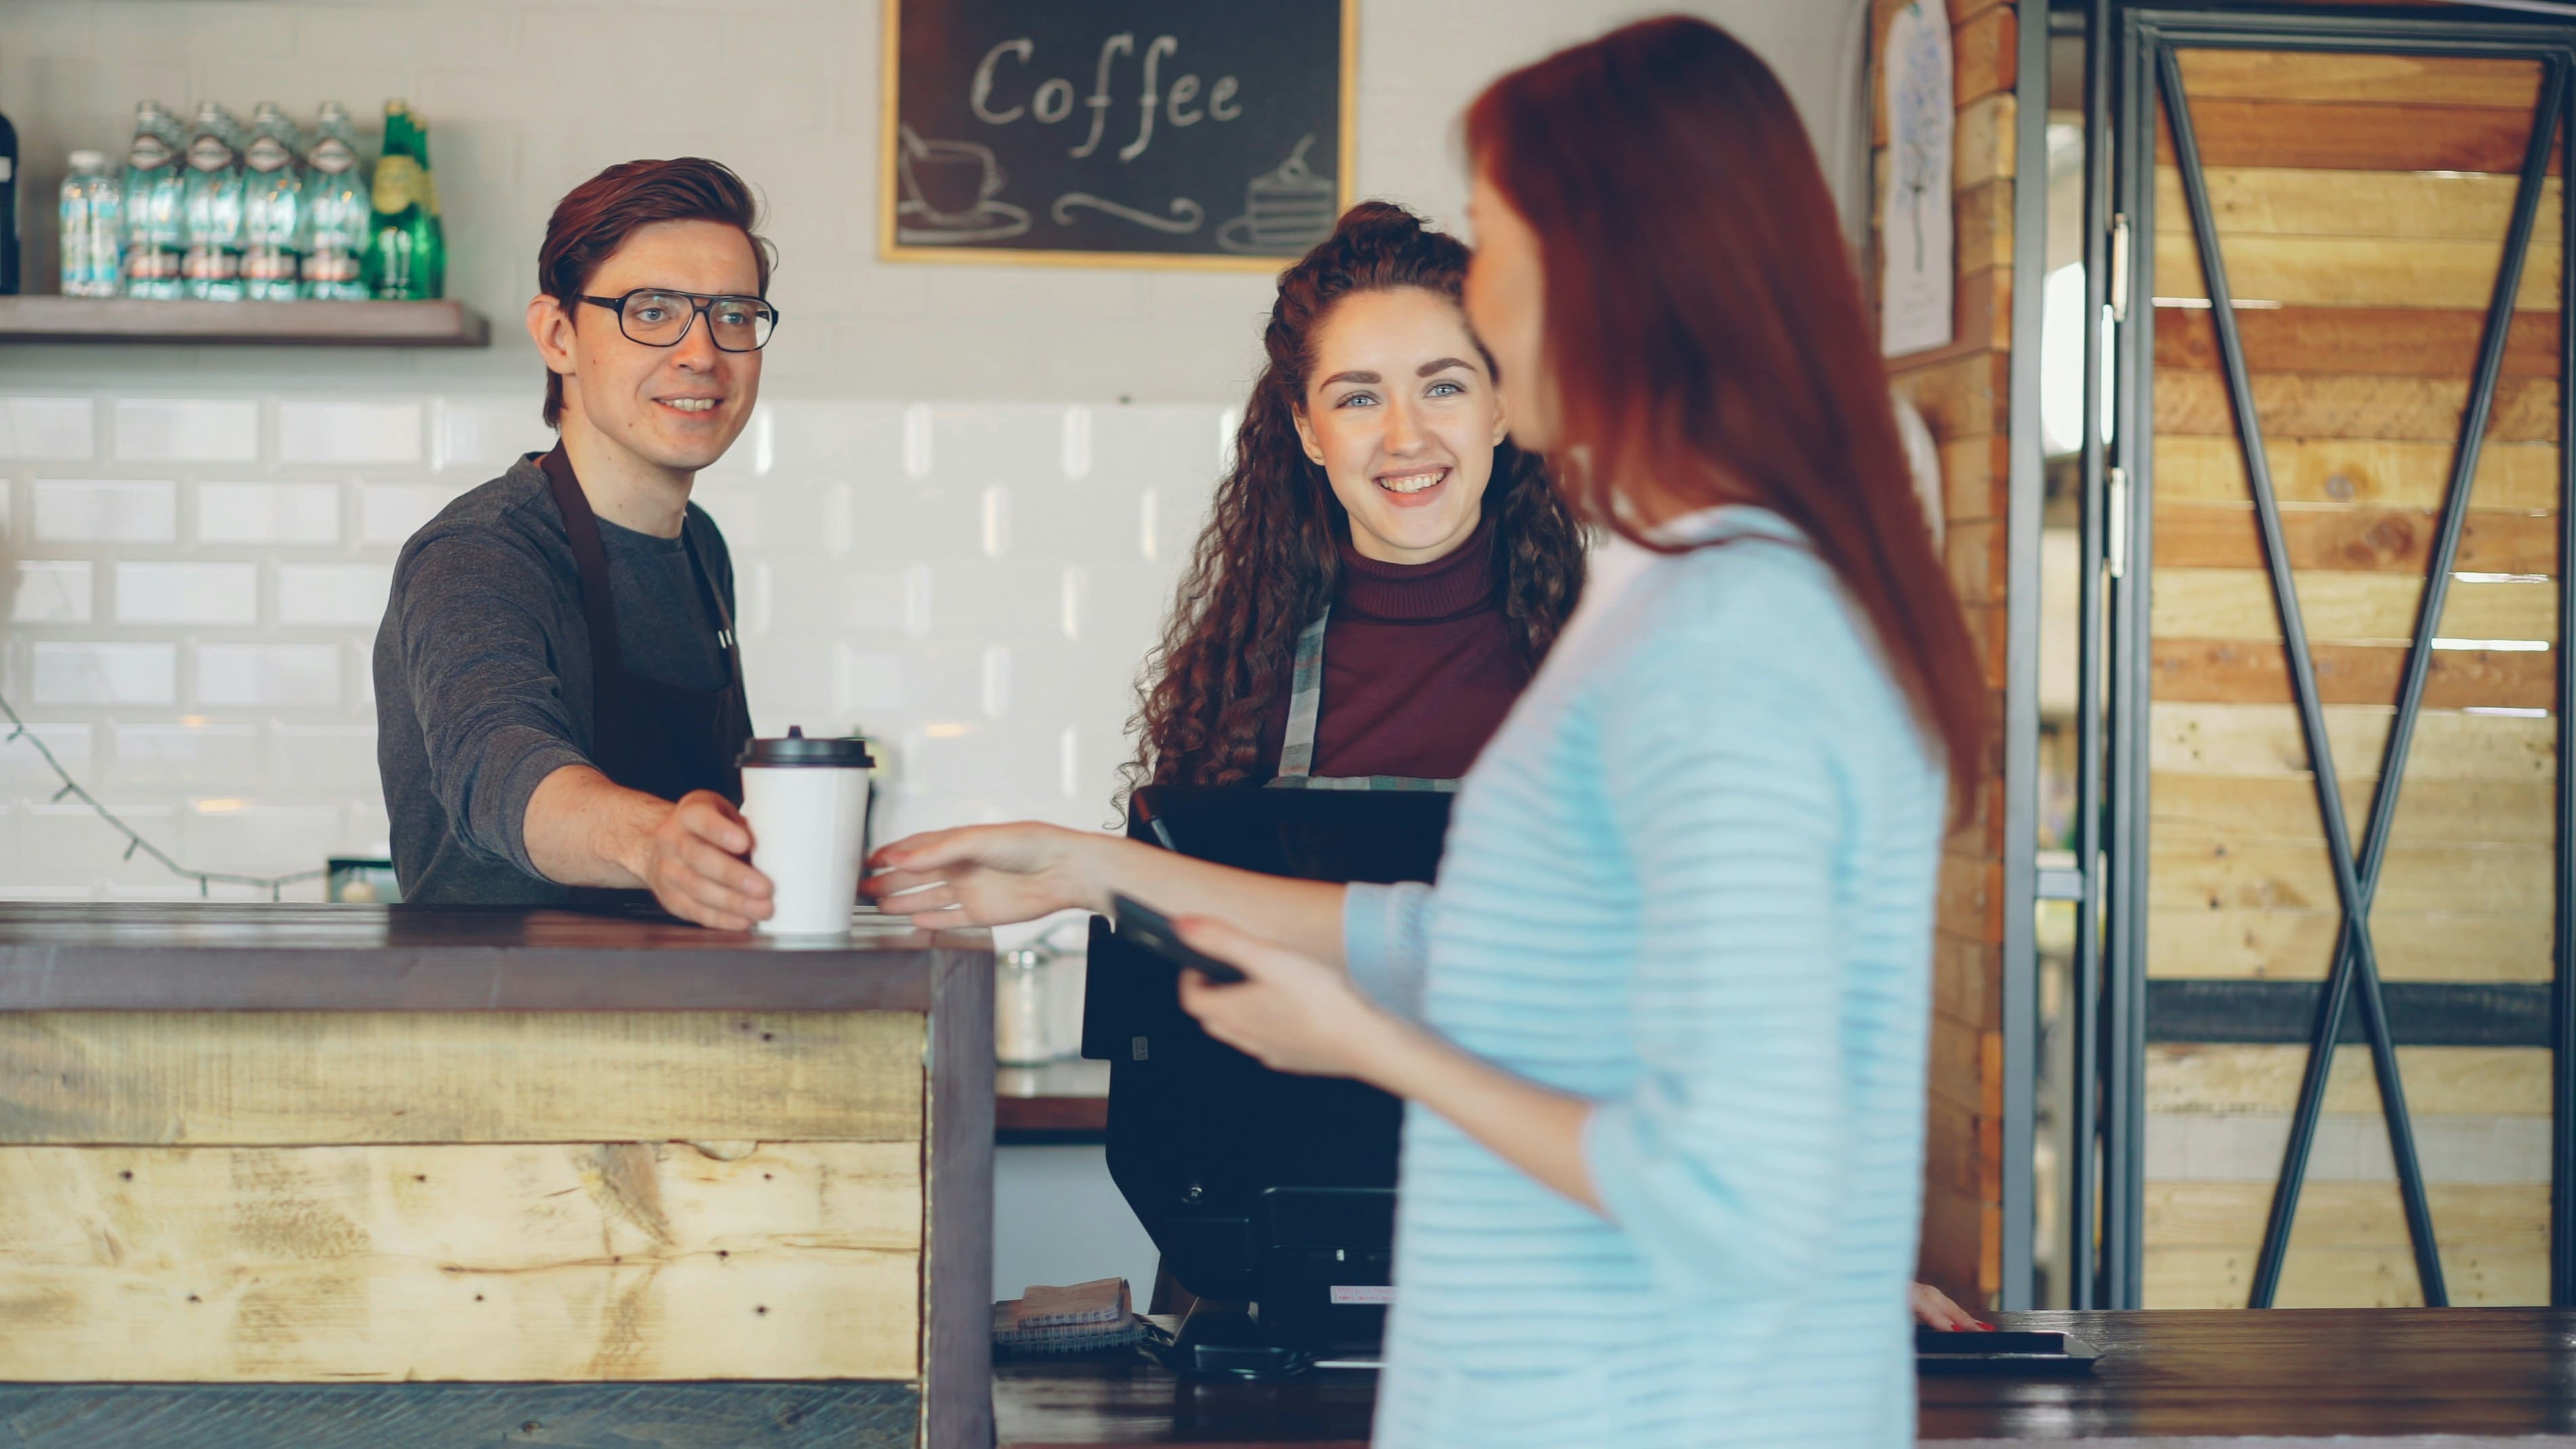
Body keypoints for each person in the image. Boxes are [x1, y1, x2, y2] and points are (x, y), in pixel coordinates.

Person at [869, 16, 1986, 1446]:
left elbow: (1737, 1182)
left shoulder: (1727, 635)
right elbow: (1474, 943)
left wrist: (1370, 1047)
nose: (1483, 307)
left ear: (1614, 268)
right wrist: (1090, 866)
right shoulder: (1672, 605)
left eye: (1496, 239)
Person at [376, 158, 782, 927]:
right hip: (513, 1023)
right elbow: (496, 764)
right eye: (652, 310)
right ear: (558, 335)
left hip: (685, 1015)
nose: (702, 352)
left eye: (732, 313)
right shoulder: (481, 553)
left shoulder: (700, 546)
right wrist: (654, 840)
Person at [1129, 200, 1584, 796]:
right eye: (1358, 400)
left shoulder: (1612, 657)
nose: (1407, 438)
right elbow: (1170, 888)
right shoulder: (1242, 690)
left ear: (1499, 408)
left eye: (1443, 387)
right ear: (1311, 432)